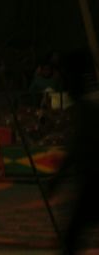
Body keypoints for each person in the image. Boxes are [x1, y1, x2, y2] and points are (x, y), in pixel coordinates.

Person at [47, 51, 99, 254]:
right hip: (90, 183)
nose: (63, 85)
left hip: (94, 183)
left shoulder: (89, 106)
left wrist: (57, 179)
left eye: (65, 77)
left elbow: (79, 147)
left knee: (72, 238)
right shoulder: (89, 103)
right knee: (73, 237)